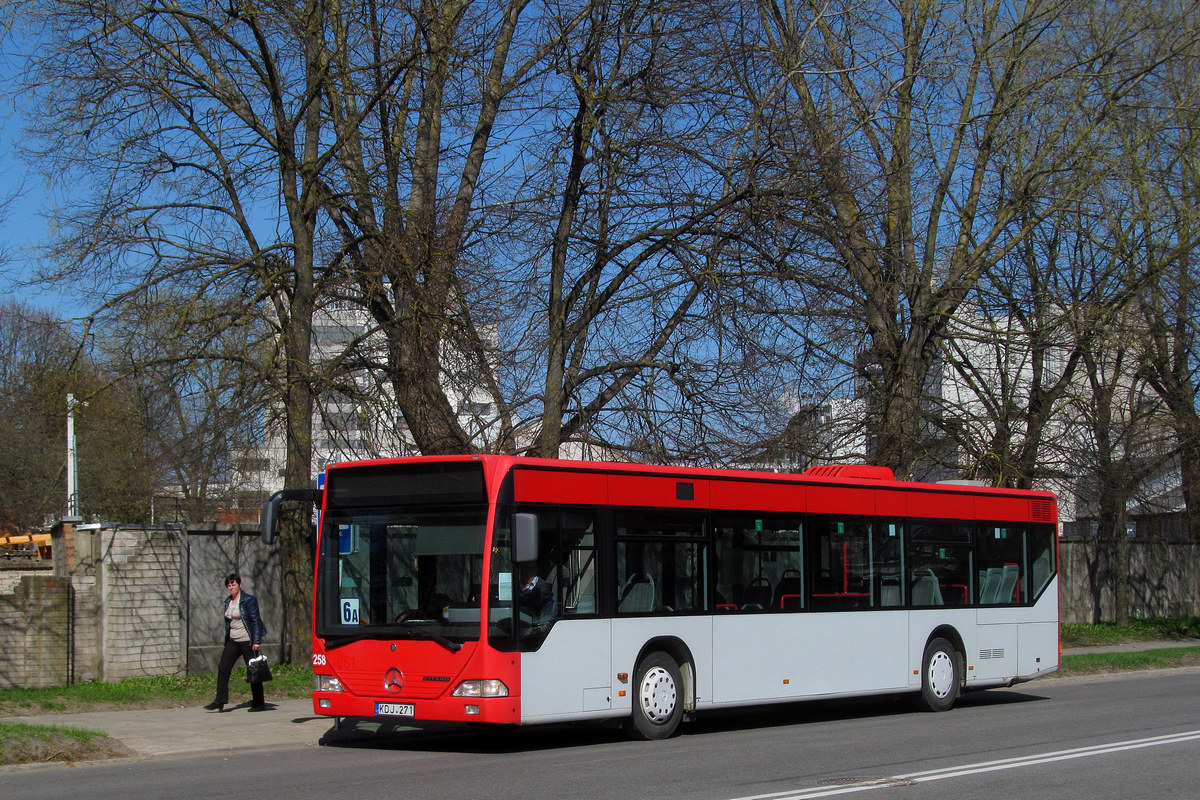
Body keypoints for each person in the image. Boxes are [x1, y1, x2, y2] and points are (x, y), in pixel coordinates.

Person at [204, 572, 268, 712]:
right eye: (228, 585)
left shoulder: (249, 600)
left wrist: (256, 641)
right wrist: (227, 640)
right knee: (223, 668)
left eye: (233, 584)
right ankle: (219, 701)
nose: (231, 587)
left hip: (248, 641)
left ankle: (258, 703)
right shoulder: (228, 601)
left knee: (253, 671)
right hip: (233, 641)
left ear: (240, 585)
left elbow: (256, 621)